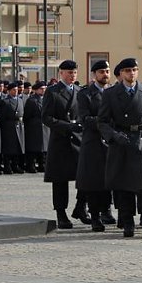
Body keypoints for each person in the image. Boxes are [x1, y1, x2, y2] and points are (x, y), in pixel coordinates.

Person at [97, 58, 142, 237]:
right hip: (121, 140)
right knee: (124, 184)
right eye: (127, 70)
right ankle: (127, 221)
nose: (131, 73)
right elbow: (102, 121)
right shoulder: (111, 93)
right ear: (121, 74)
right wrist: (113, 136)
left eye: (134, 70)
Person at [42, 60, 87, 229]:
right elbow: (46, 117)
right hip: (60, 140)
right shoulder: (53, 92)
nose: (72, 75)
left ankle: (80, 207)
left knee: (85, 176)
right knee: (60, 180)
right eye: (69, 72)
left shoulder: (80, 91)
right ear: (60, 73)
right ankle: (61, 213)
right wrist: (66, 126)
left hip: (78, 140)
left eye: (74, 72)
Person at [77, 60, 114, 232]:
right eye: (101, 72)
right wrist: (104, 122)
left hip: (111, 142)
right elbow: (84, 119)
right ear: (94, 75)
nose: (105, 74)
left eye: (107, 71)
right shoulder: (85, 94)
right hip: (93, 143)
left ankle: (107, 211)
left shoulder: (114, 92)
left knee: (109, 180)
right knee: (93, 183)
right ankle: (95, 217)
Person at [0, 82, 26, 173]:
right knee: (9, 147)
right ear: (9, 91)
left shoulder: (20, 100)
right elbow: (2, 116)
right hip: (9, 126)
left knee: (18, 147)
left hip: (19, 125)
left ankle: (15, 165)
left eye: (17, 90)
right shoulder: (5, 101)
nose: (16, 91)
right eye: (13, 90)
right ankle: (7, 166)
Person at [24, 81, 49, 174]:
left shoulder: (46, 99)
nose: (43, 90)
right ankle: (31, 165)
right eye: (41, 89)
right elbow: (27, 115)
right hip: (34, 126)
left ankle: (42, 164)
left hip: (44, 126)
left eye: (44, 89)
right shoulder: (32, 100)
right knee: (34, 147)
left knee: (44, 147)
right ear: (37, 90)